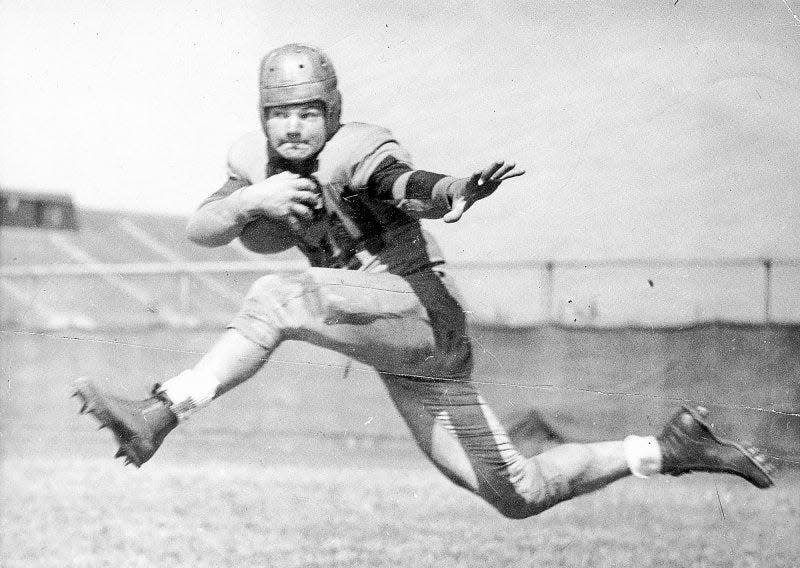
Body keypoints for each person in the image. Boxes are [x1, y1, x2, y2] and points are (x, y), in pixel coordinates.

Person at [73, 43, 775, 519]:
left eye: (308, 111)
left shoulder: (354, 148)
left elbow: (402, 183)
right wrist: (246, 203)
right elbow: (201, 228)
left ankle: (161, 411)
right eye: (280, 112)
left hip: (419, 313)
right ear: (263, 116)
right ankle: (667, 448)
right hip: (397, 345)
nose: (293, 126)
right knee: (516, 492)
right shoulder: (253, 166)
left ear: (332, 112)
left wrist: (453, 190)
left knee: (278, 294)